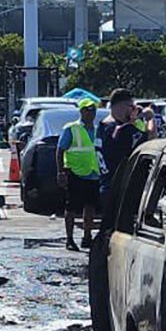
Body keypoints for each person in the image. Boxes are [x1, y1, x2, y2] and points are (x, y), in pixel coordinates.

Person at [59, 97, 102, 252]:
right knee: (71, 207)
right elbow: (60, 150)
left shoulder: (97, 130)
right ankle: (69, 239)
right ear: (82, 112)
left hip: (92, 173)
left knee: (90, 206)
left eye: (94, 110)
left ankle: (87, 236)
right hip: (75, 172)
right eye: (89, 110)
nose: (92, 113)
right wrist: (61, 171)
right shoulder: (72, 128)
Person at [97, 88, 147, 186]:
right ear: (122, 106)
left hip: (106, 182)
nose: (133, 110)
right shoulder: (121, 129)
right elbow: (151, 139)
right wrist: (150, 118)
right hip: (119, 187)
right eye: (131, 107)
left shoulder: (103, 126)